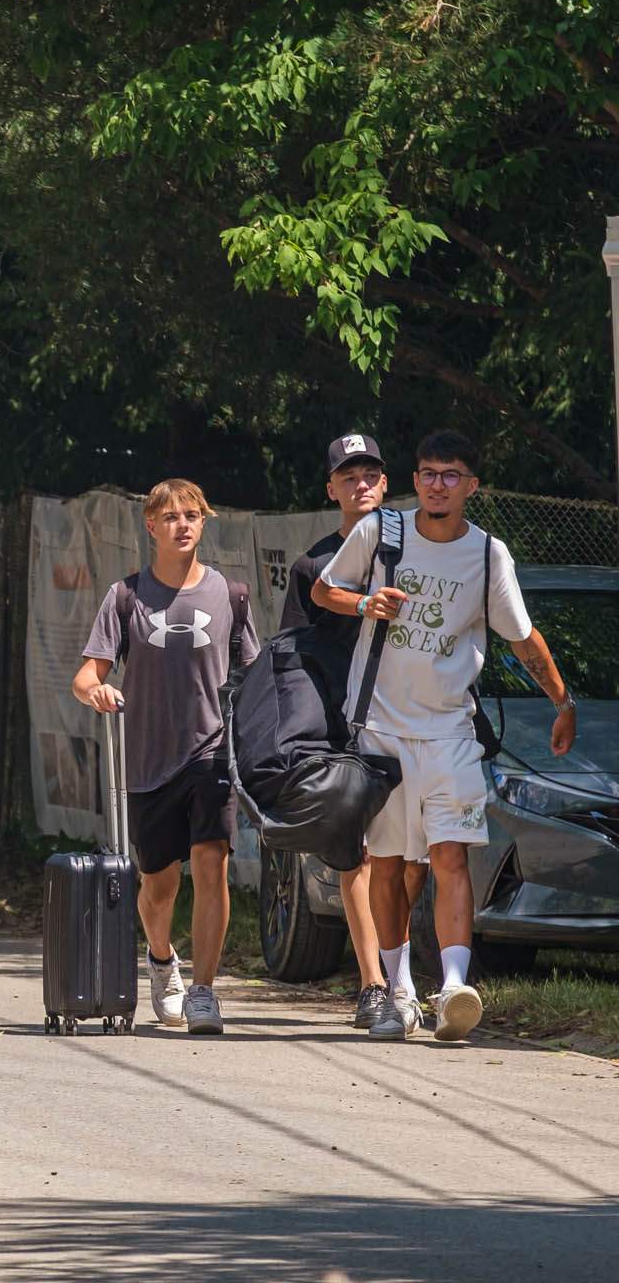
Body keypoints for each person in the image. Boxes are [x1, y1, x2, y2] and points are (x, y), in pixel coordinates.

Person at [313, 430, 578, 1042]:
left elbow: (521, 636)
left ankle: (455, 987)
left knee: (449, 854)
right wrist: (364, 605)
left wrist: (562, 700)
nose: (438, 484)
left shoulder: (488, 555)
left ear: (472, 486)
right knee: (386, 862)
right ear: (416, 480)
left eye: (451, 475)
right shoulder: (381, 533)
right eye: (429, 473)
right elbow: (322, 590)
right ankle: (397, 993)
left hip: (452, 730)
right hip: (379, 728)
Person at [71, 480, 259, 1035]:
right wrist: (96, 691)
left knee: (211, 864)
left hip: (212, 754)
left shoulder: (231, 595)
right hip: (150, 761)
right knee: (158, 887)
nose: (183, 524)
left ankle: (203, 991)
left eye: (193, 515)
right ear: (150, 526)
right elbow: (86, 674)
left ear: (205, 523)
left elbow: (251, 679)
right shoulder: (125, 596)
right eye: (171, 516)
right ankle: (161, 959)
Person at [276, 433, 416, 1032]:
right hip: (344, 722)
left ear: (386, 483)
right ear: (330, 488)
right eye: (347, 475)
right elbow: (295, 656)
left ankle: (407, 975)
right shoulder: (314, 566)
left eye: (370, 474)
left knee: (414, 857)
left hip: (413, 720)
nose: (360, 483)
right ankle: (374, 986)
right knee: (357, 854)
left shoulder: (420, 550)